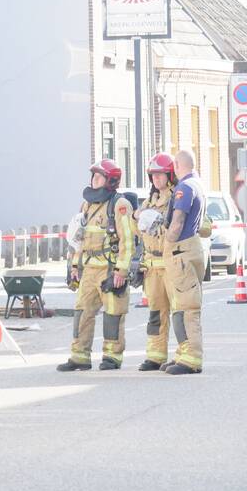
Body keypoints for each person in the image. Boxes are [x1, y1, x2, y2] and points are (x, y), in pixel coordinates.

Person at [57, 159, 135, 371]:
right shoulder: (87, 205)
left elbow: (127, 241)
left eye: (98, 177)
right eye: (93, 176)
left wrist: (121, 270)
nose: (94, 180)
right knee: (82, 312)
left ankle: (112, 357)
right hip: (89, 269)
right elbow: (79, 239)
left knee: (112, 315)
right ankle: (79, 356)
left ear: (110, 181)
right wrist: (75, 266)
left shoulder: (120, 206)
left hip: (110, 270)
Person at [161, 150, 206, 375]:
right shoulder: (198, 184)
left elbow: (177, 223)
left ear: (178, 165)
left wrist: (165, 237)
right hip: (193, 249)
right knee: (181, 305)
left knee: (187, 306)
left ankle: (191, 358)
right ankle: (183, 353)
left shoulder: (184, 188)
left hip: (181, 252)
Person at [132, 153, 177, 371]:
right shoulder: (149, 201)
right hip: (152, 267)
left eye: (160, 174)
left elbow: (200, 226)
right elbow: (138, 232)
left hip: (171, 265)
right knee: (155, 314)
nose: (156, 179)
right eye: (153, 175)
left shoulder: (178, 198)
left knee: (179, 312)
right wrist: (136, 218)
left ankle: (183, 355)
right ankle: (155, 355)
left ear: (170, 175)